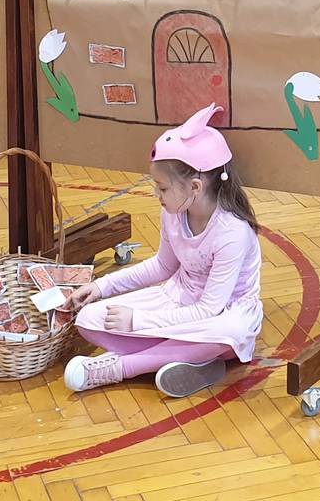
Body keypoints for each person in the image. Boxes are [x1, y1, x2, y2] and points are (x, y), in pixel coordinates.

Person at [63, 104, 264, 400]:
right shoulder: (173, 212)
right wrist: (101, 287)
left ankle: (121, 367)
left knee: (230, 331)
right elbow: (162, 266)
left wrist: (137, 321)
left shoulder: (232, 232)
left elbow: (209, 310)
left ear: (195, 186)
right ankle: (191, 360)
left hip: (220, 315)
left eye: (163, 188)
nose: (156, 195)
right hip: (177, 299)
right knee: (88, 319)